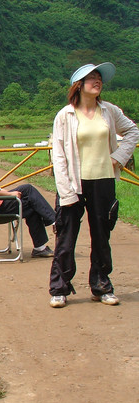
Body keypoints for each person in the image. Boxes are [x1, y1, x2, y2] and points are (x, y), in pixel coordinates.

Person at [49, 62, 139, 308]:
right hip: (74, 182)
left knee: (101, 235)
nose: (97, 81)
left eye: (99, 77)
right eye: (91, 78)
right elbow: (58, 154)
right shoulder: (65, 115)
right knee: (66, 236)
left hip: (103, 180)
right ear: (79, 85)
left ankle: (101, 286)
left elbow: (133, 132)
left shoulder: (109, 111)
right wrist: (65, 188)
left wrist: (118, 158)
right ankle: (59, 288)